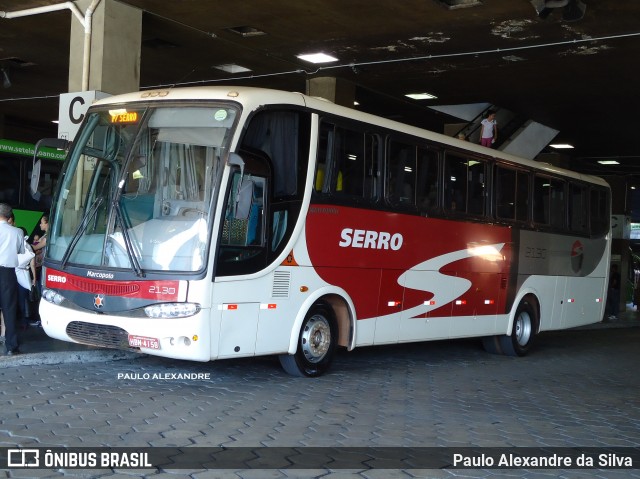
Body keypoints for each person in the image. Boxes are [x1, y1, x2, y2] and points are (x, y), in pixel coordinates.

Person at [0, 203, 26, 355]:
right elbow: (20, 251)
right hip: (7, 273)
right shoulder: (17, 232)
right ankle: (12, 346)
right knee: (9, 309)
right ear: (9, 217)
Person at [30, 215, 48, 327]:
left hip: (46, 267)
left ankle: (43, 320)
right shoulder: (45, 235)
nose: (40, 224)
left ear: (47, 223)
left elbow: (36, 247)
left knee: (43, 292)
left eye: (42, 222)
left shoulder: (48, 236)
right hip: (44, 267)